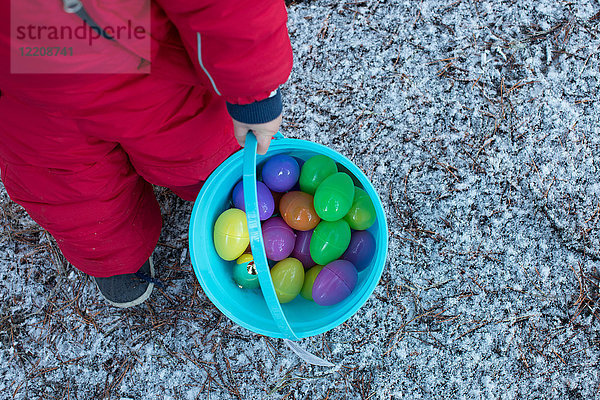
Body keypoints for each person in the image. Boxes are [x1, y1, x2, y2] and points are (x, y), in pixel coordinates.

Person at [0, 0, 293, 307]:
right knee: (72, 195)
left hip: (147, 67)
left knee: (202, 152)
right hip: (28, 104)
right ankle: (115, 255)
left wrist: (253, 88)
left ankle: (220, 192)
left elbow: (224, 7)